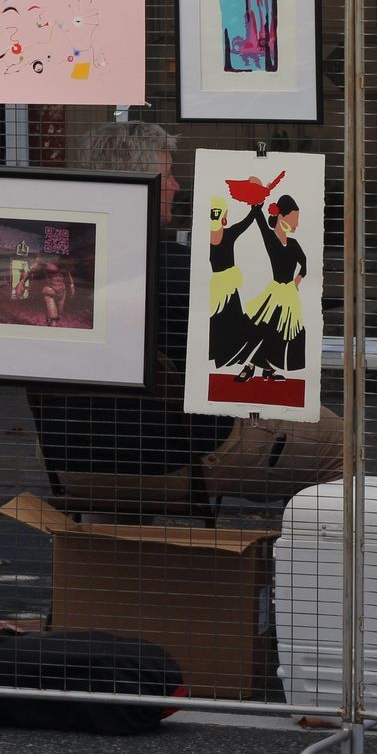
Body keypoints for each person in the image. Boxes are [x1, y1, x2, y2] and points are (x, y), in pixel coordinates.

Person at [50, 122, 341, 506]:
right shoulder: (173, 269)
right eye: (168, 176)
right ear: (142, 184)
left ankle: (108, 559)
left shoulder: (57, 266)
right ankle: (324, 562)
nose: (176, 187)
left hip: (73, 465)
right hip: (179, 465)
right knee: (341, 440)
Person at [236, 194, 309, 379]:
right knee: (268, 329)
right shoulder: (270, 238)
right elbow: (258, 217)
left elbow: (305, 262)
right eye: (294, 220)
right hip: (276, 292)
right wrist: (258, 198)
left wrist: (298, 280)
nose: (297, 225)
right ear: (281, 217)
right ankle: (252, 366)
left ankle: (265, 368)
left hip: (289, 294)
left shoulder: (293, 244)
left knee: (289, 332)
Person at [202, 194, 263, 365]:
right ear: (223, 217)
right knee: (229, 317)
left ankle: (223, 352)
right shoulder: (227, 235)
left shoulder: (205, 239)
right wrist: (256, 205)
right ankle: (229, 351)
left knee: (222, 317)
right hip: (226, 286)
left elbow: (246, 222)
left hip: (218, 287)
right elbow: (247, 222)